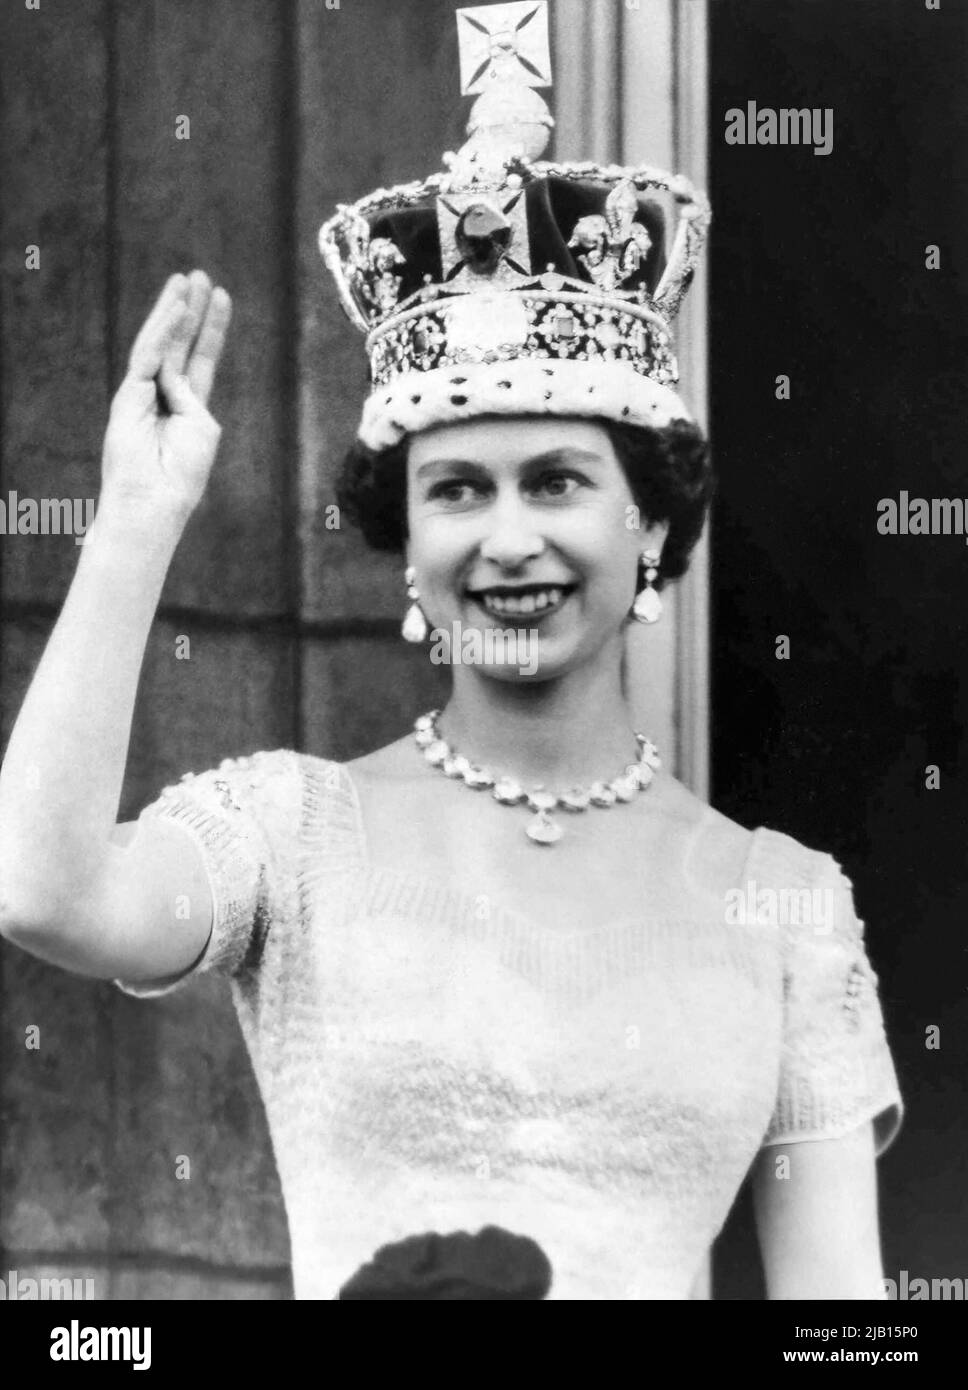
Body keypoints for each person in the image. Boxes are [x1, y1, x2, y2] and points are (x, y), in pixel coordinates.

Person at [0, 3, 903, 1300]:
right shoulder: (293, 833)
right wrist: (138, 519)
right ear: (407, 538)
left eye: (554, 480)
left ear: (646, 518)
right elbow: (44, 888)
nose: (508, 539)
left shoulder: (786, 906)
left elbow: (843, 1321)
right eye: (458, 491)